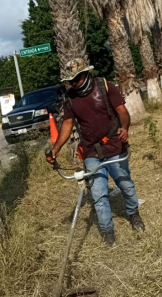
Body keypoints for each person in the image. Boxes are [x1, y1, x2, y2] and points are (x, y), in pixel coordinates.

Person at [47, 58, 145, 247]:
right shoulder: (70, 98)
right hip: (91, 151)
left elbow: (122, 112)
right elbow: (67, 125)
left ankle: (134, 214)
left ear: (85, 74)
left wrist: (124, 128)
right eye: (70, 81)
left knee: (125, 185)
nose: (73, 84)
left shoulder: (104, 86)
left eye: (75, 79)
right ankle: (107, 231)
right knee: (99, 193)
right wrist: (56, 149)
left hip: (114, 145)